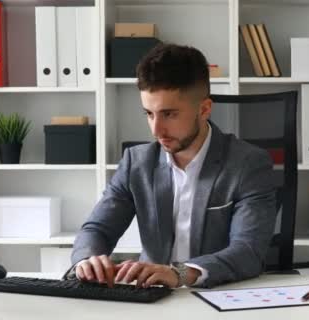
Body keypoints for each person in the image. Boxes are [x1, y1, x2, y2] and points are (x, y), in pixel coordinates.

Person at [68, 43, 277, 289]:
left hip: (218, 294)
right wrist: (86, 259)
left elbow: (247, 251)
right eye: (149, 114)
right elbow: (98, 229)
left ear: (204, 109)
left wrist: (178, 273)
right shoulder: (136, 163)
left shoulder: (248, 164)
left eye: (169, 114)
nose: (156, 130)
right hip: (150, 298)